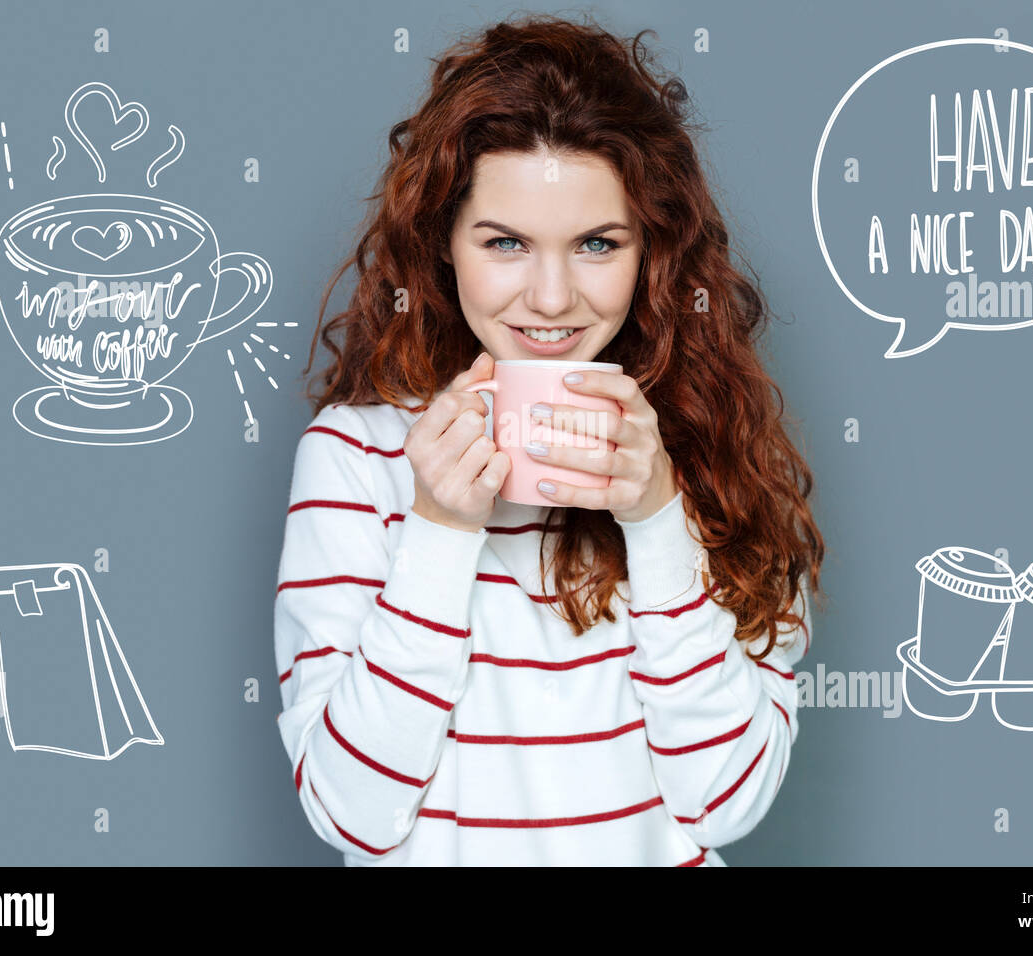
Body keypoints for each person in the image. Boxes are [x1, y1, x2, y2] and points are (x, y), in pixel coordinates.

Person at [273, 13, 826, 866]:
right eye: (505, 243)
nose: (553, 296)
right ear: (445, 247)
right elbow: (352, 813)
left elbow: (724, 804)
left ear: (653, 253)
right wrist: (440, 528)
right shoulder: (356, 453)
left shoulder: (712, 444)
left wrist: (655, 519)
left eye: (597, 244)